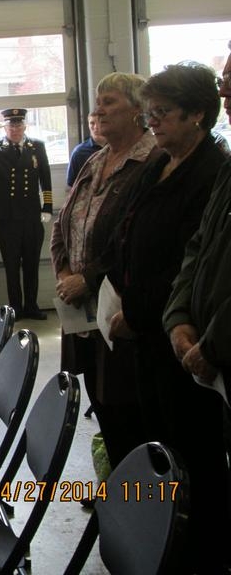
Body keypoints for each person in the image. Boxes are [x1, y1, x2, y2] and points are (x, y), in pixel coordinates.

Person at [106, 61, 227, 573]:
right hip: (149, 332)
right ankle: (165, 542)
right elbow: (126, 228)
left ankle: (202, 552)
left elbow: (189, 254)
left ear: (198, 115)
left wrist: (155, 316)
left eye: (163, 113)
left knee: (194, 451)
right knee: (157, 441)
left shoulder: (211, 168)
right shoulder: (160, 161)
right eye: (150, 112)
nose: (152, 122)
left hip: (179, 339)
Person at [51, 72, 161, 468]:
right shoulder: (95, 160)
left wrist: (90, 277)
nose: (98, 110)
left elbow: (136, 240)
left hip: (121, 314)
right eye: (98, 101)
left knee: (132, 420)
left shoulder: (152, 162)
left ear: (138, 110)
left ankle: (144, 511)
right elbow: (63, 222)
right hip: (84, 315)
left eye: (109, 101)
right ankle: (122, 503)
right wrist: (64, 272)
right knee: (106, 413)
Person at [163, 42, 231, 568]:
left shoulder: (215, 163)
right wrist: (178, 318)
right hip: (200, 345)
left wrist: (211, 342)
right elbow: (197, 248)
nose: (225, 89)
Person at [0, 108, 52, 320]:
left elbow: (45, 177)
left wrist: (47, 206)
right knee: (12, 264)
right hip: (6, 215)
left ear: (25, 126)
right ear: (5, 127)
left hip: (31, 214)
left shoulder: (37, 146)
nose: (15, 129)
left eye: (18, 125)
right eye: (11, 126)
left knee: (31, 263)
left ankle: (31, 305)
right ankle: (16, 307)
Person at [65, 112, 106, 189]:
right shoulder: (79, 152)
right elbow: (72, 182)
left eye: (100, 122)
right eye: (92, 123)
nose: (96, 127)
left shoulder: (118, 148)